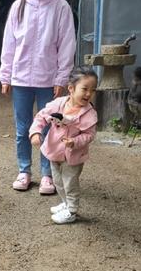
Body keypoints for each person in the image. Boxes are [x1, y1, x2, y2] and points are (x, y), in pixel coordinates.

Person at [0, 0, 76, 195]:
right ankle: (24, 170)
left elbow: (67, 44)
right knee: (23, 128)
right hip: (21, 78)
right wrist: (5, 75)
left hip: (48, 79)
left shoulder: (60, 7)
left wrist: (62, 77)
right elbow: (9, 43)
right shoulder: (18, 6)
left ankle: (46, 174)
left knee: (48, 128)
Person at [29, 67, 98, 224]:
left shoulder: (89, 113)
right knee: (58, 181)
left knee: (70, 183)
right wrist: (35, 132)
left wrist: (75, 142)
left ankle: (72, 211)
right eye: (84, 89)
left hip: (73, 156)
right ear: (71, 88)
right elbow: (41, 116)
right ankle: (65, 203)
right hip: (55, 150)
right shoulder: (59, 104)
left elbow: (89, 135)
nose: (88, 94)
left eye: (93, 90)